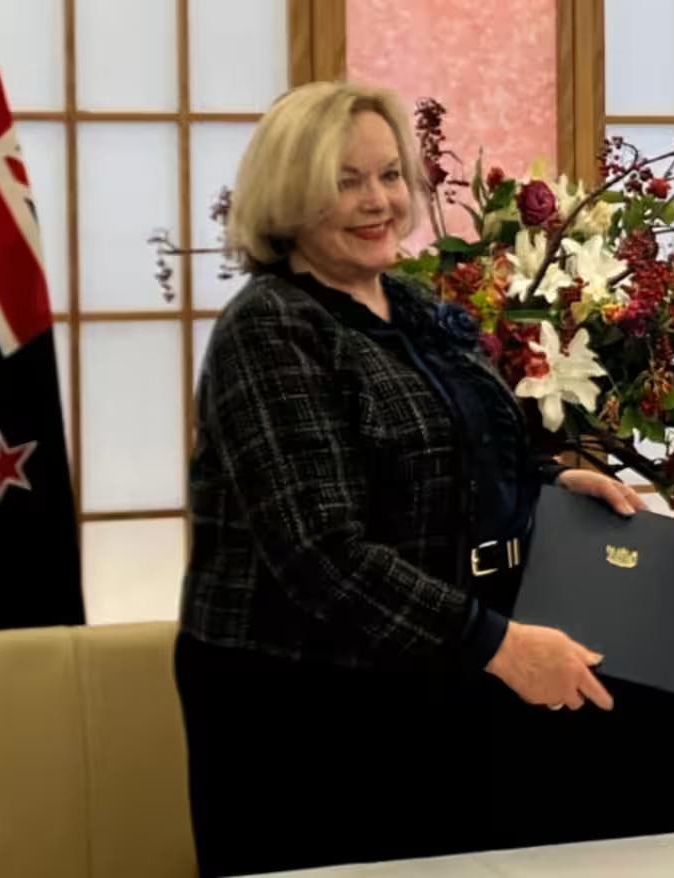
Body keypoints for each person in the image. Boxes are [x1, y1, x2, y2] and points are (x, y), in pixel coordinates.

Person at [173, 79, 646, 876]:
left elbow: (464, 453)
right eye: (345, 180)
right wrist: (496, 645)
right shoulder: (269, 327)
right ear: (290, 193)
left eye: (390, 175)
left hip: (433, 679)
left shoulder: (415, 307)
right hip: (304, 704)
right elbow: (319, 551)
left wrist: (550, 485)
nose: (378, 200)